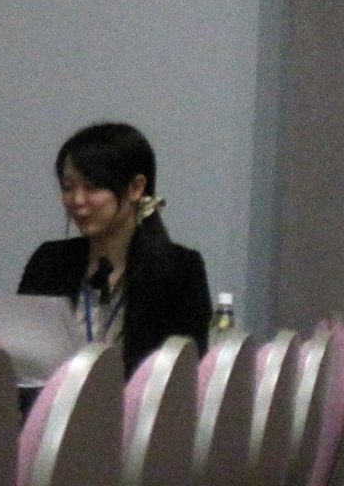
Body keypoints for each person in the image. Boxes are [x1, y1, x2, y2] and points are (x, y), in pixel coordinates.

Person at [17, 122, 211, 377]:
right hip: (56, 401)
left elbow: (181, 375)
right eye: (68, 188)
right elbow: (27, 362)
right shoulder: (49, 261)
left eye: (92, 187)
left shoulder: (179, 271)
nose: (77, 200)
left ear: (136, 188)